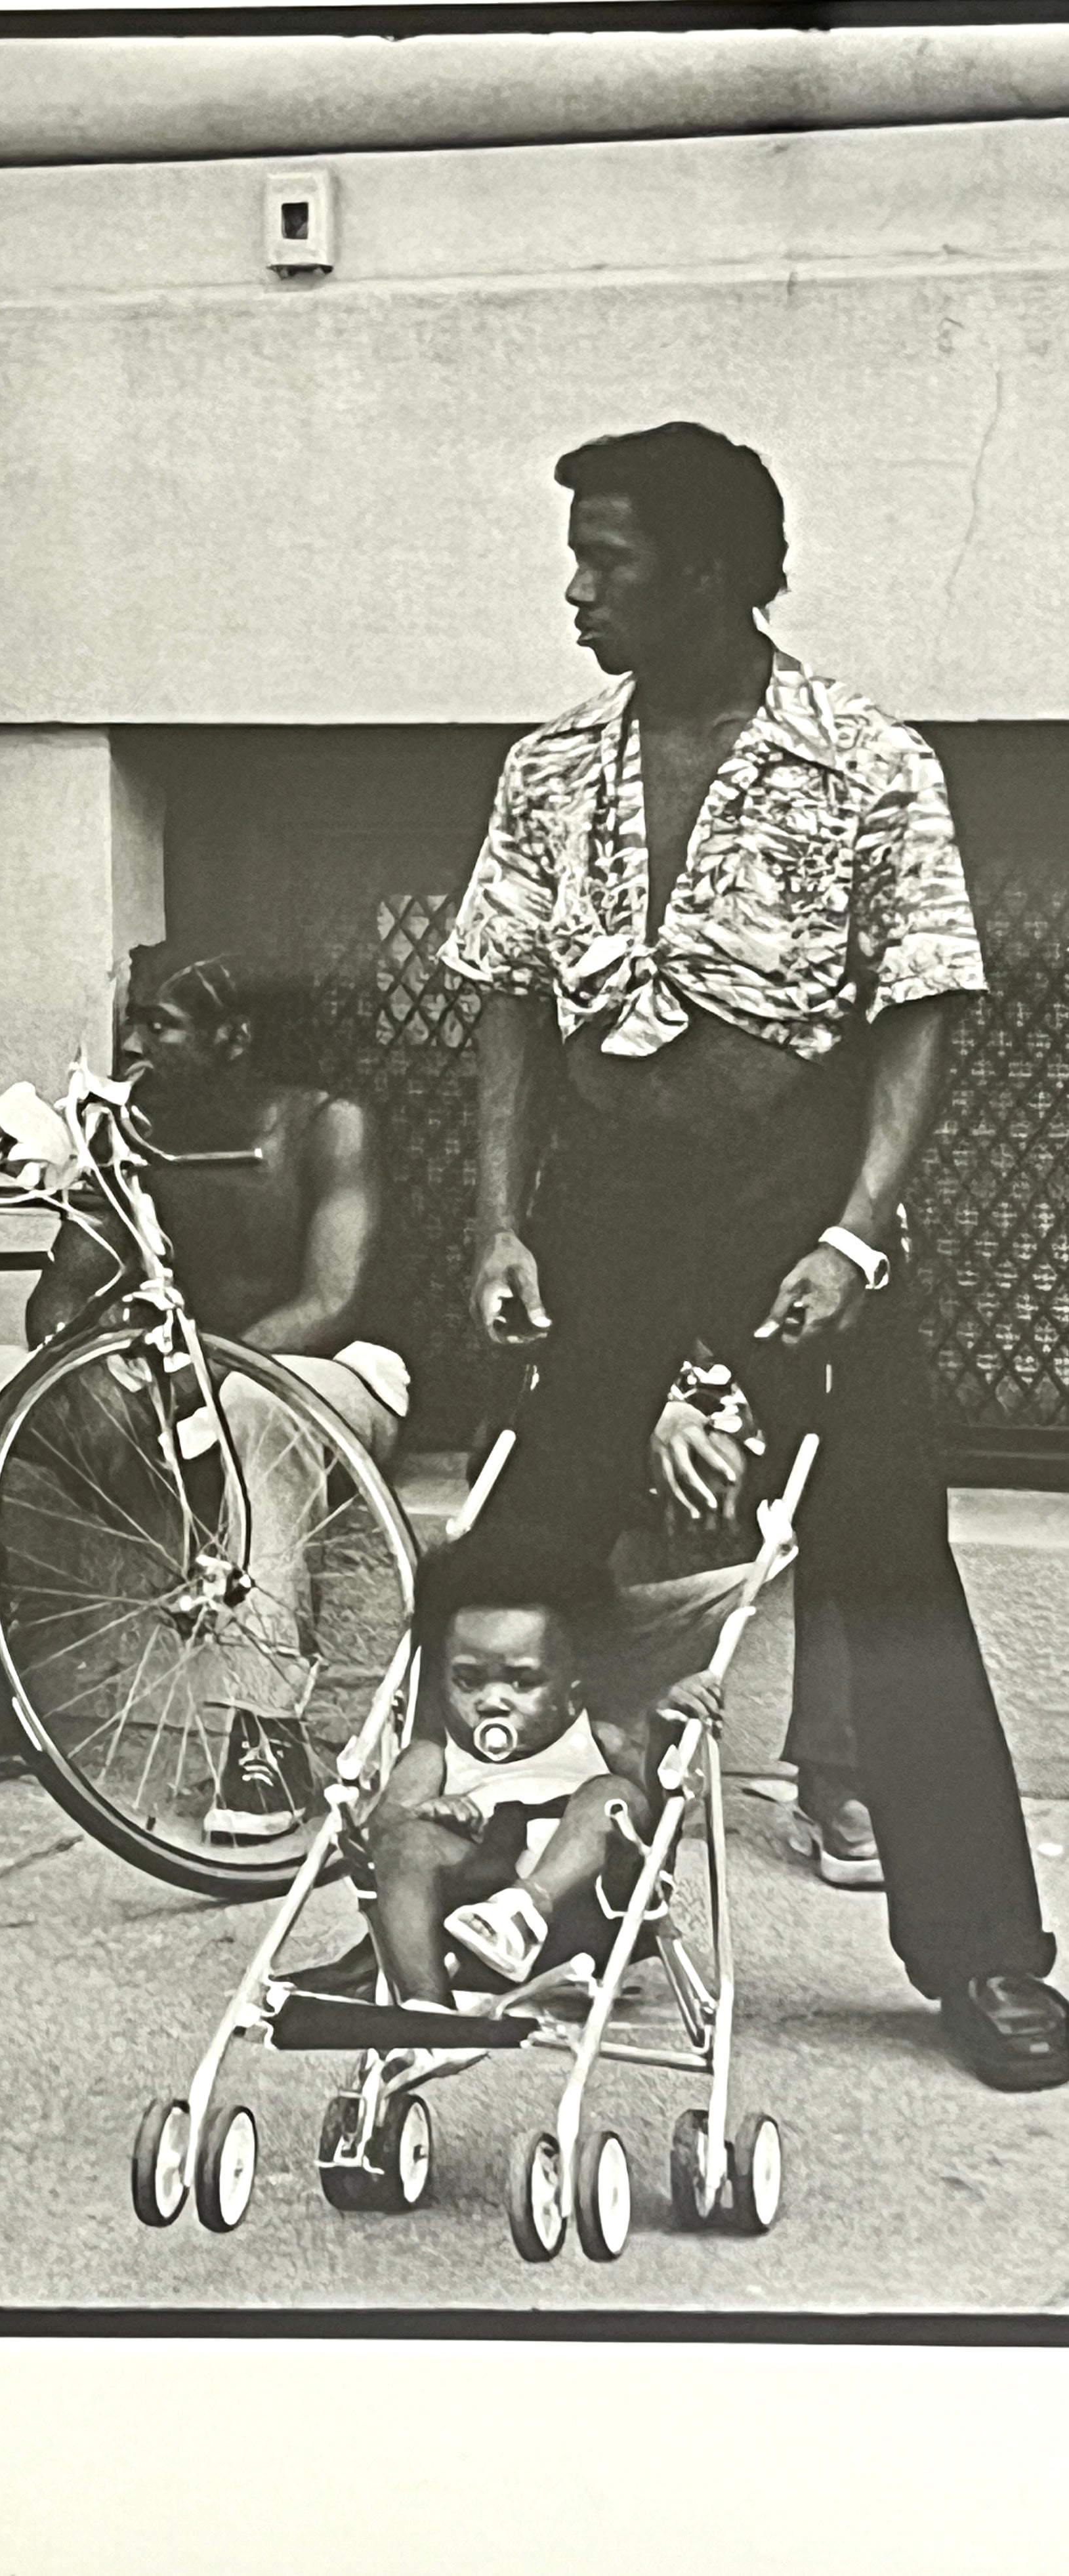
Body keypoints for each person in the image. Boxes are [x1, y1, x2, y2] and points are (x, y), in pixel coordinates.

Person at [437, 418, 1064, 2090]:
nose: (577, 593)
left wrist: (858, 1232)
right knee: (515, 1558)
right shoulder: (548, 770)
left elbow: (922, 1008)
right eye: (577, 558)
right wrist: (501, 1216)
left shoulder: (866, 761)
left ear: (710, 571)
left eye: (610, 562)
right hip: (606, 1204)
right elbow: (505, 995)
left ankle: (986, 1959)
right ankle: (480, 1907)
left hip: (792, 1196)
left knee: (887, 1562)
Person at [0, 946, 411, 1832]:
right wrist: (88, 1372)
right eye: (130, 1018)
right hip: (169, 1373)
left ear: (233, 1038)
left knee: (253, 1406)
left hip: (327, 1377)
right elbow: (63, 1290)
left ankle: (267, 1734)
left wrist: (193, 1381)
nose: (131, 1041)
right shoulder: (130, 1127)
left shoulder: (328, 1125)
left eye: (158, 1025)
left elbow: (330, 1299)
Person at [357, 1522, 730, 2010]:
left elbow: (659, 1819)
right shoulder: (436, 1756)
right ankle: (426, 2008)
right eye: (468, 1681)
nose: (492, 1700)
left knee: (613, 1796)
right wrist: (430, 1815)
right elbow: (381, 1839)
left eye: (521, 1681)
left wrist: (666, 1725)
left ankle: (523, 1907)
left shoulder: (599, 1741)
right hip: (460, 1918)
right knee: (404, 1842)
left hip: (581, 1918)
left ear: (570, 1691)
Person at [652, 1358, 882, 1888]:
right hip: (615, 1399)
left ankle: (835, 1780)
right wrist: (658, 1410)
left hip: (757, 1403)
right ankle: (629, 1747)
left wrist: (722, 1420)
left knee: (850, 1493)